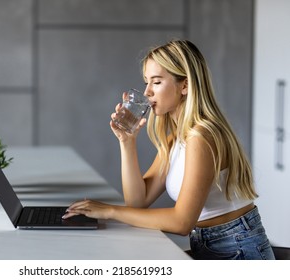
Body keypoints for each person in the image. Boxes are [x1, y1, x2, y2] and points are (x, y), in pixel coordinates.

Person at [62, 39, 275, 260]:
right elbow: (138, 202)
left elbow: (182, 222)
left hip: (238, 250)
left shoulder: (201, 137)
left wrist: (109, 211)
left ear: (184, 86)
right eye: (146, 82)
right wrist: (127, 142)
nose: (147, 93)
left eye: (156, 82)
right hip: (212, 246)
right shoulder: (177, 137)